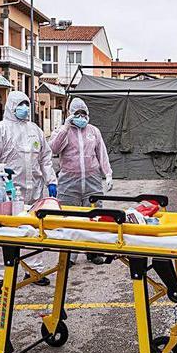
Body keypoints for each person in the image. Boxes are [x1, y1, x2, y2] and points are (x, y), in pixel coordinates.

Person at [0, 91, 58, 293]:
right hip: (8, 193)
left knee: (34, 230)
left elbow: (45, 158)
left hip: (34, 190)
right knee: (6, 232)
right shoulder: (0, 130)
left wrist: (51, 180)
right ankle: (2, 276)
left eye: (27, 103)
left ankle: (34, 270)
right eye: (20, 104)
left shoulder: (35, 130)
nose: (24, 107)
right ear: (11, 106)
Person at [49, 98, 112, 264]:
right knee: (69, 218)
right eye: (77, 114)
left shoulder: (93, 131)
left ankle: (93, 252)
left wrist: (108, 173)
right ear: (70, 115)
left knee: (94, 217)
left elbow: (102, 153)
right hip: (69, 182)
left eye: (84, 114)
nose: (81, 117)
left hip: (92, 180)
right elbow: (53, 149)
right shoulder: (63, 131)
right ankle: (69, 255)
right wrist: (65, 128)